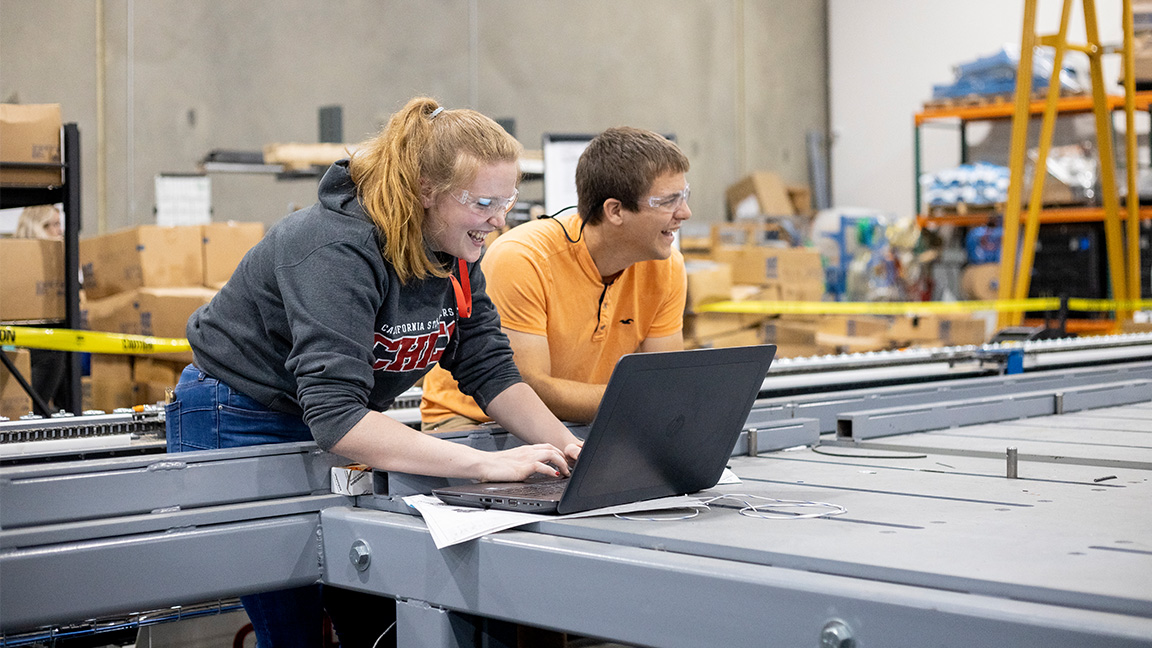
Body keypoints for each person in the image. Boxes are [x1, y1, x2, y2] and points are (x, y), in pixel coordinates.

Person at [165, 97, 583, 648]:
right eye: (483, 202)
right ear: (425, 192)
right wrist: (486, 465)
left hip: (333, 417)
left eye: (508, 202)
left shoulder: (455, 250)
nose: (499, 222)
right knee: (293, 629)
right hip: (241, 413)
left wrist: (570, 451)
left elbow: (490, 369)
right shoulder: (334, 247)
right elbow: (337, 419)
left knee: (372, 612)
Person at [421, 126, 691, 430]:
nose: (685, 212)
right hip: (477, 423)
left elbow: (663, 384)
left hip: (589, 422)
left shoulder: (666, 267)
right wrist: (643, 402)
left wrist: (657, 402)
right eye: (668, 201)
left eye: (684, 196)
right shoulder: (524, 258)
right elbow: (531, 389)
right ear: (615, 211)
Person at [15, 205, 67, 411]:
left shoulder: (60, 258)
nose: (59, 231)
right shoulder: (20, 261)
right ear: (36, 226)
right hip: (33, 342)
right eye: (53, 225)